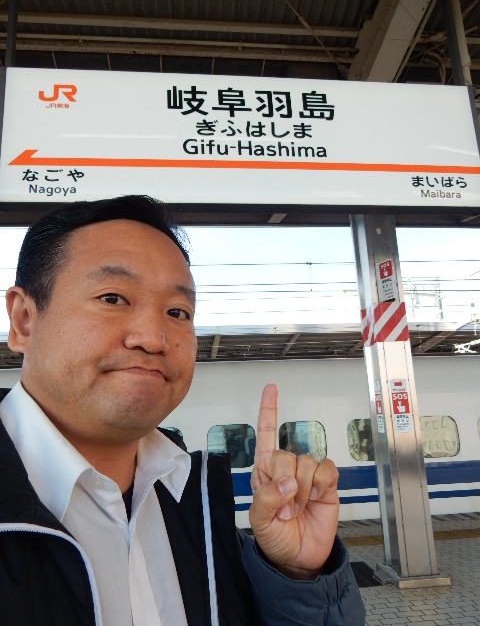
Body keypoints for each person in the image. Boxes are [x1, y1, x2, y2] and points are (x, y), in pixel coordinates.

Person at [0, 195, 365, 626]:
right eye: (113, 298)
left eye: (177, 312)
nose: (154, 338)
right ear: (24, 320)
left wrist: (296, 578)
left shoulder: (199, 501)